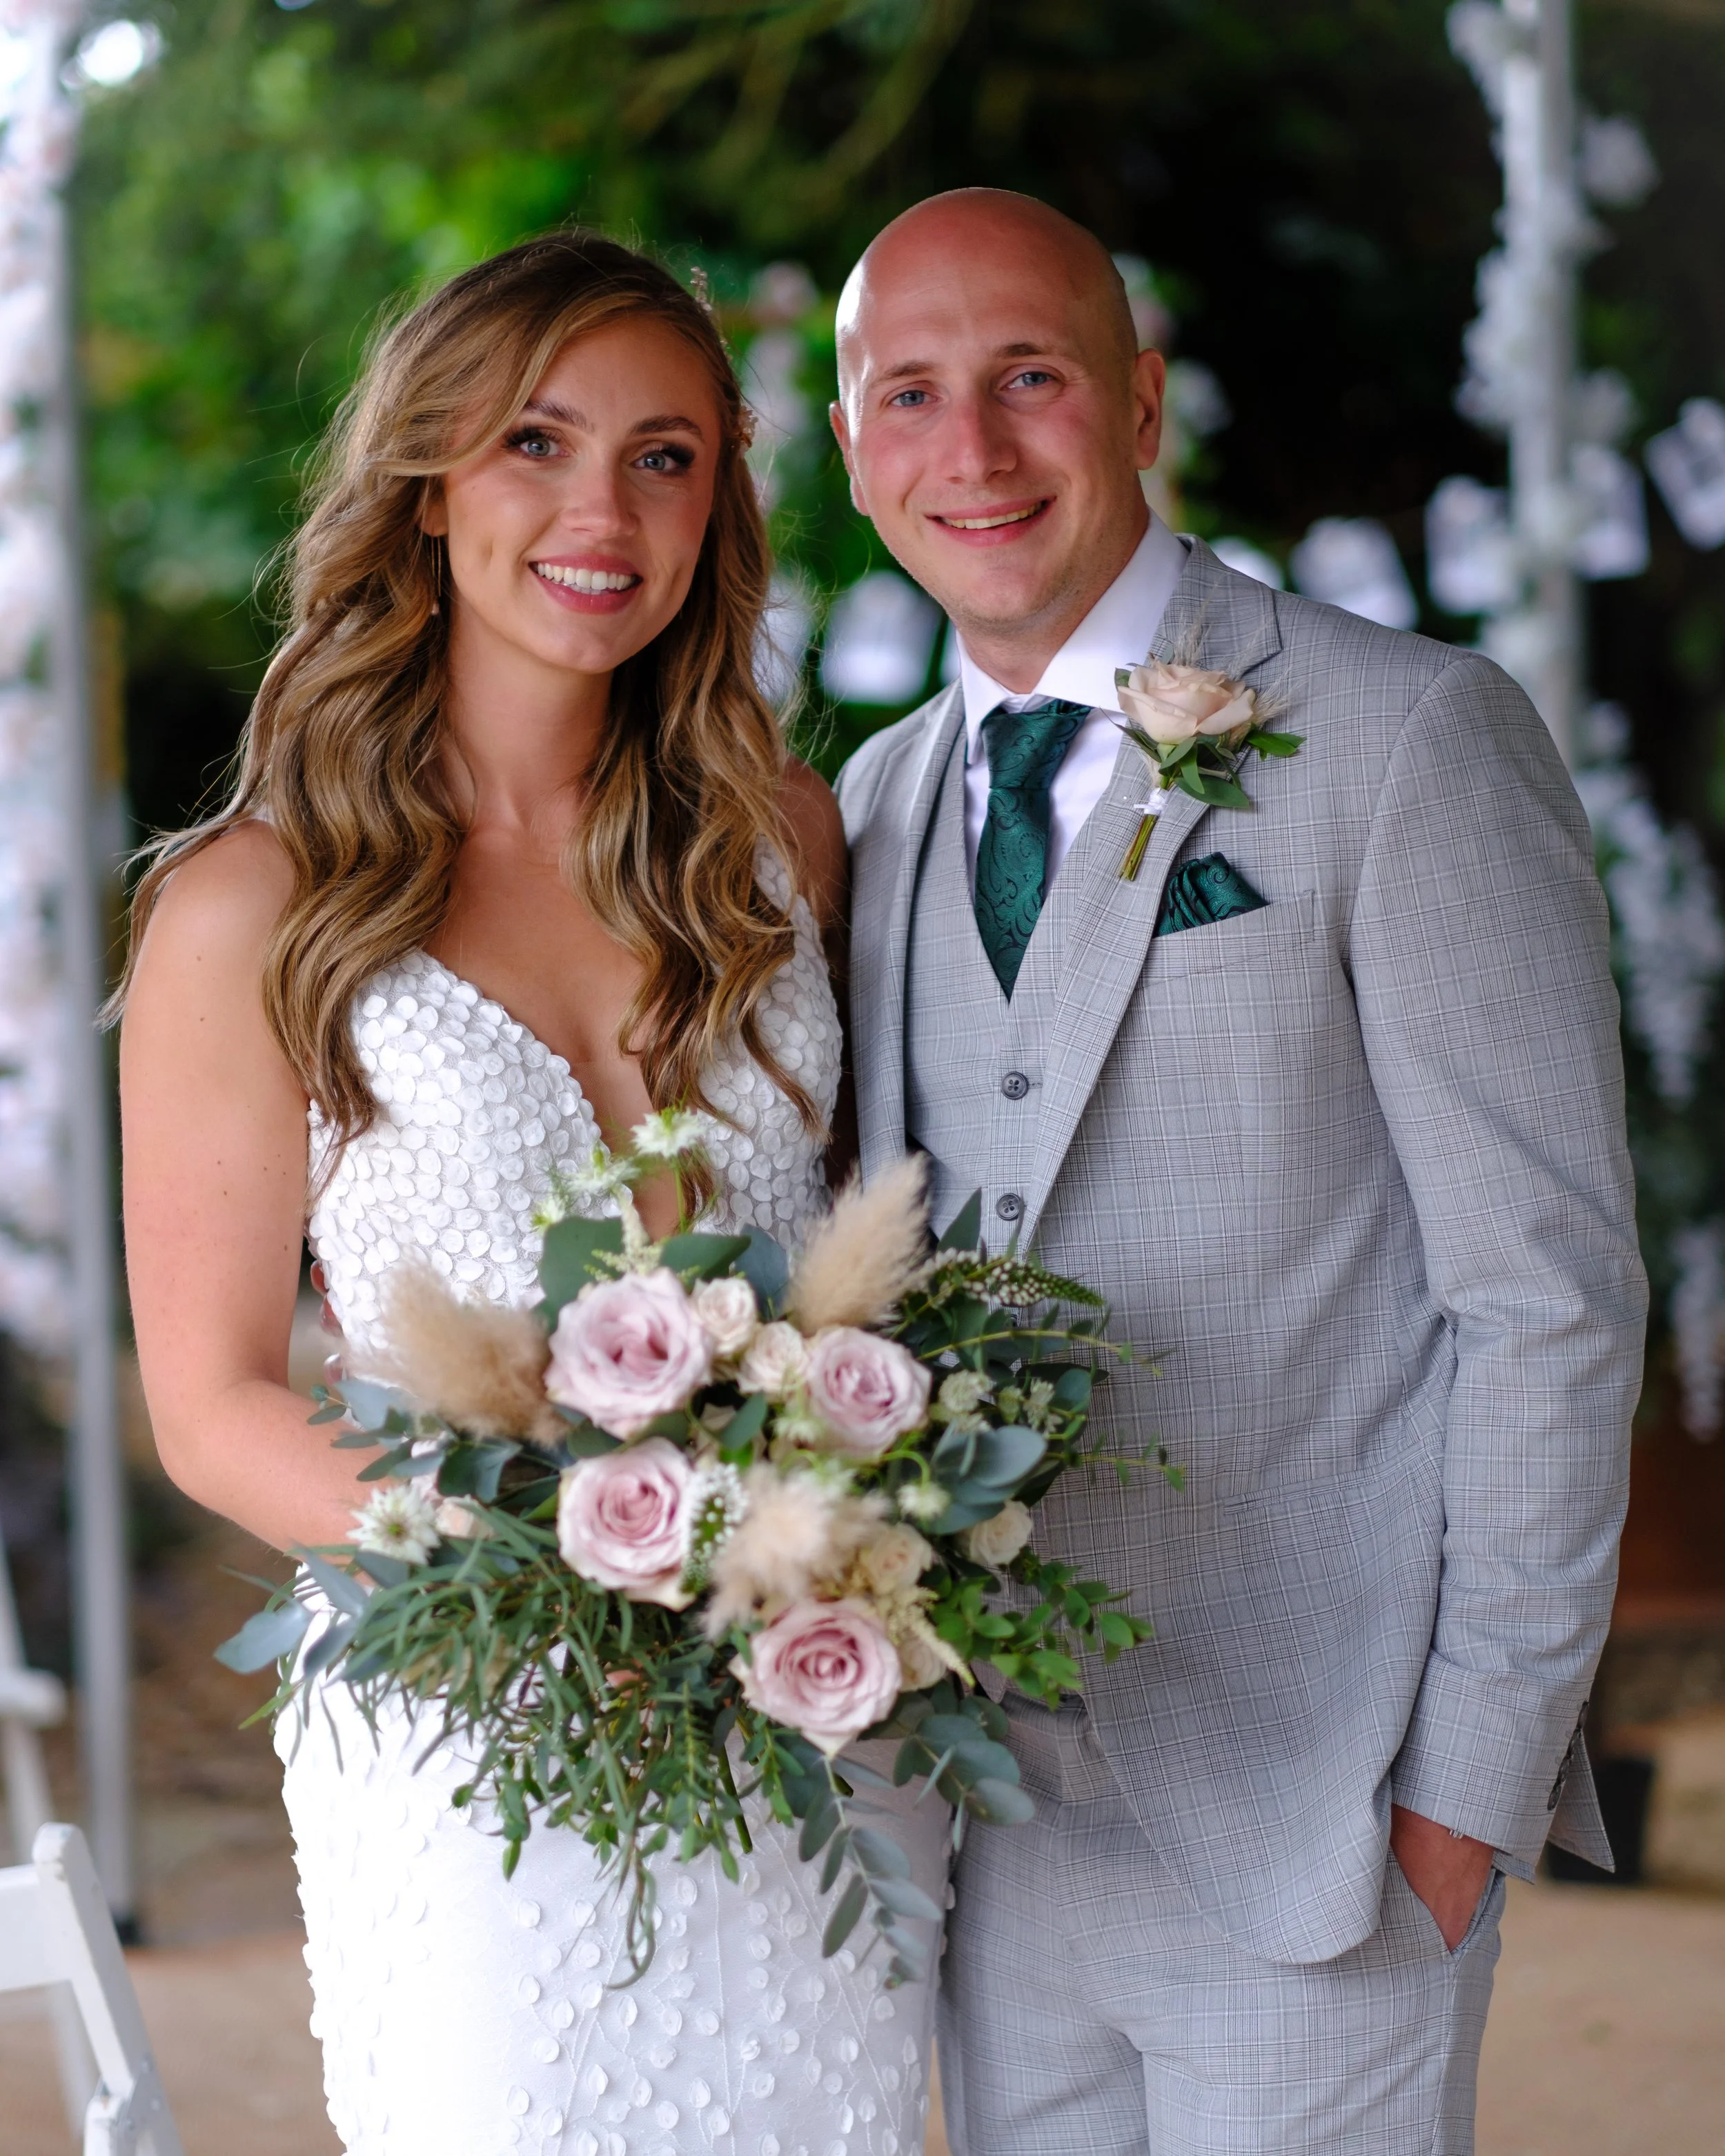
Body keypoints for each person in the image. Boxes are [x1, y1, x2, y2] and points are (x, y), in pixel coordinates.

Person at [830, 188, 1646, 2155]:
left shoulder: (1410, 737)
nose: (973, 447)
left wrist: (1464, 1791)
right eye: (911, 394)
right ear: (852, 449)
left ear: (1138, 402)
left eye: (1029, 376)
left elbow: (1546, 1297)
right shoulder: (874, 804)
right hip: (998, 1833)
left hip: (1328, 1828)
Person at [117, 231, 947, 2156]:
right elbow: (213, 1403)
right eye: (536, 443)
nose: (603, 512)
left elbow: (848, 1281)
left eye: (665, 457)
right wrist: (567, 1567)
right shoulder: (257, 905)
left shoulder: (777, 843)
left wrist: (809, 1539)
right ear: (426, 489)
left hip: (804, 1720)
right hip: (476, 1723)